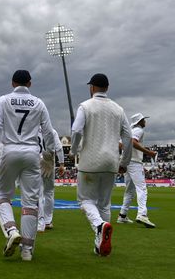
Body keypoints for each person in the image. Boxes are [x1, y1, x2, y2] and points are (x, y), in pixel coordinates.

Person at [0, 70, 56, 262]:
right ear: (30, 83)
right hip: (32, 153)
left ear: (12, 83)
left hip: (9, 151)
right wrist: (49, 155)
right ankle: (27, 250)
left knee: (2, 196)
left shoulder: (3, 100)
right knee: (30, 202)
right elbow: (48, 132)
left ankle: (11, 230)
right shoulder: (39, 103)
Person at [70, 73, 132, 257]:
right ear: (107, 88)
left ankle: (99, 226)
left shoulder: (86, 106)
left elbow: (76, 130)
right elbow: (128, 137)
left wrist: (74, 150)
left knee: (85, 201)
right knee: (104, 204)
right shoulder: (118, 109)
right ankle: (99, 246)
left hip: (90, 161)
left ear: (92, 87)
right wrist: (125, 162)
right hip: (111, 162)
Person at [117, 113, 157, 228]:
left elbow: (120, 145)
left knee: (129, 191)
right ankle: (142, 214)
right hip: (134, 163)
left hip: (127, 162)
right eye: (143, 119)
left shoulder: (128, 131)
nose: (145, 121)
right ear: (139, 121)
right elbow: (133, 142)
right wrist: (148, 152)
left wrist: (128, 152)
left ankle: (122, 215)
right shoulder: (139, 130)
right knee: (142, 189)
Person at [37, 128, 65, 233]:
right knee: (49, 192)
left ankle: (40, 222)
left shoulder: (32, 129)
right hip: (49, 162)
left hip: (36, 162)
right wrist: (62, 164)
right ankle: (48, 221)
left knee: (38, 194)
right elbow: (59, 148)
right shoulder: (52, 131)